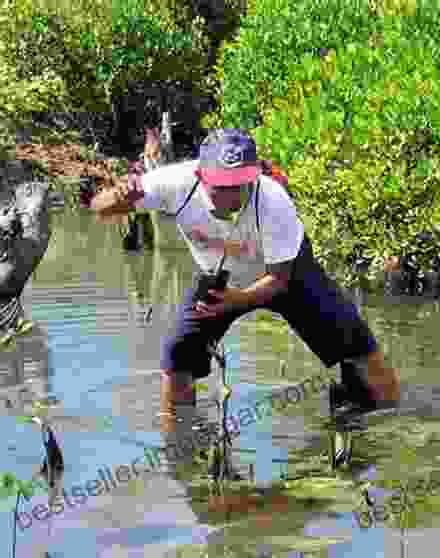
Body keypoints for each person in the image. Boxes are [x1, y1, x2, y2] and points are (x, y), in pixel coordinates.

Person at [90, 128, 401, 432]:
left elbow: (278, 282)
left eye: (240, 185)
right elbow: (98, 207)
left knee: (356, 342)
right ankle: (179, 443)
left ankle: (391, 424)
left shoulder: (273, 200)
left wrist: (236, 300)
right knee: (177, 354)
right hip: (217, 274)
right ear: (200, 176)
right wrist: (119, 196)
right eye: (221, 186)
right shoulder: (173, 183)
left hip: (285, 272)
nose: (231, 196)